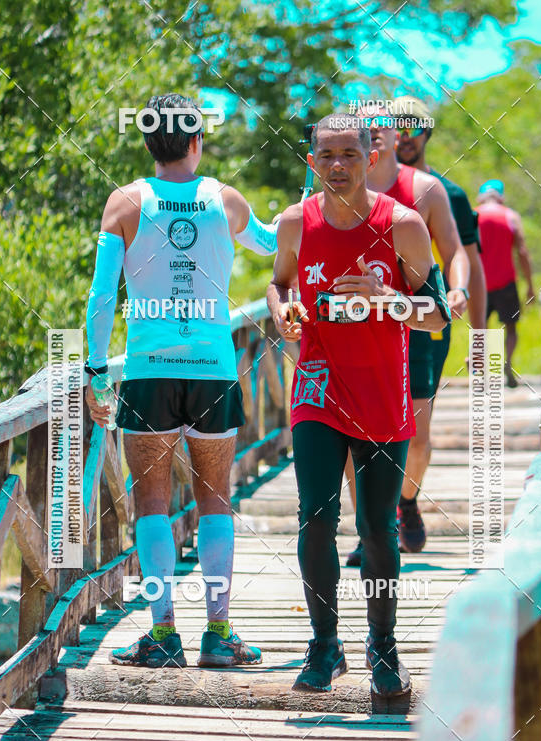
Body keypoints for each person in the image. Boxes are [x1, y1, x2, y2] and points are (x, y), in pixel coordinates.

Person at [85, 93, 279, 668]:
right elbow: (272, 245)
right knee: (215, 498)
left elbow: (102, 297)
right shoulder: (226, 200)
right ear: (197, 140)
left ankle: (163, 634)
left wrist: (96, 372)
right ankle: (218, 633)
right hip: (213, 367)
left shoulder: (125, 202)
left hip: (149, 370)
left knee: (150, 502)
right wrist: (298, 213)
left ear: (148, 140)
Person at [267, 113, 450, 700]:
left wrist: (387, 297)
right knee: (316, 519)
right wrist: (282, 310)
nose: (338, 165)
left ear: (371, 157)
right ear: (312, 161)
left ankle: (383, 647)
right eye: (327, 155)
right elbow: (279, 283)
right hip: (317, 388)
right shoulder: (295, 222)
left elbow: (437, 315)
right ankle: (324, 645)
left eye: (350, 154)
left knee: (376, 528)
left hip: (381, 393)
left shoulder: (403, 225)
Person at [345, 101, 471, 564]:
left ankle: (406, 499)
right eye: (366, 126)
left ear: (398, 134)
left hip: (418, 316)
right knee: (355, 434)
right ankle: (369, 531)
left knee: (416, 437)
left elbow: (455, 251)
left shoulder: (426, 188)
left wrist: (458, 289)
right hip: (357, 319)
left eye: (384, 125)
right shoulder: (339, 186)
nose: (376, 131)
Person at [476, 179, 534, 387]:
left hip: (479, 283)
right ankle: (507, 363)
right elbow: (522, 251)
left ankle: (481, 371)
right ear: (500, 196)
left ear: (481, 196)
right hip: (506, 282)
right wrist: (530, 284)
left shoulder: (472, 215)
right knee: (510, 328)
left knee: (480, 328)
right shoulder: (511, 216)